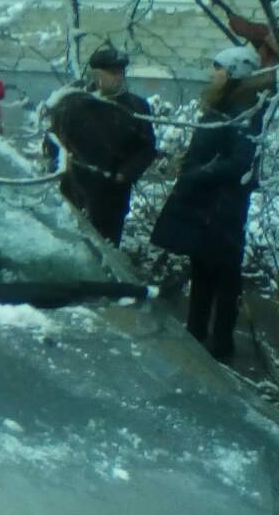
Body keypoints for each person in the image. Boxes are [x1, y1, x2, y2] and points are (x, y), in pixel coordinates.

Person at [150, 45, 268, 361]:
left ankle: (221, 344)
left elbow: (241, 161)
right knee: (201, 268)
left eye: (218, 68)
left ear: (233, 73)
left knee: (224, 276)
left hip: (222, 208)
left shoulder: (242, 111)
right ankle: (196, 331)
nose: (212, 73)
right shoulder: (223, 105)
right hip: (206, 205)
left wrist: (199, 172)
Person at [43, 46, 157, 244]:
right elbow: (53, 142)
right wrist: (60, 167)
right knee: (71, 245)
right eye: (112, 72)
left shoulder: (136, 107)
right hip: (74, 190)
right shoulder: (73, 103)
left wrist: (125, 174)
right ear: (96, 73)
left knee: (107, 248)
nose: (118, 77)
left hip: (112, 195)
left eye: (121, 72)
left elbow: (146, 148)